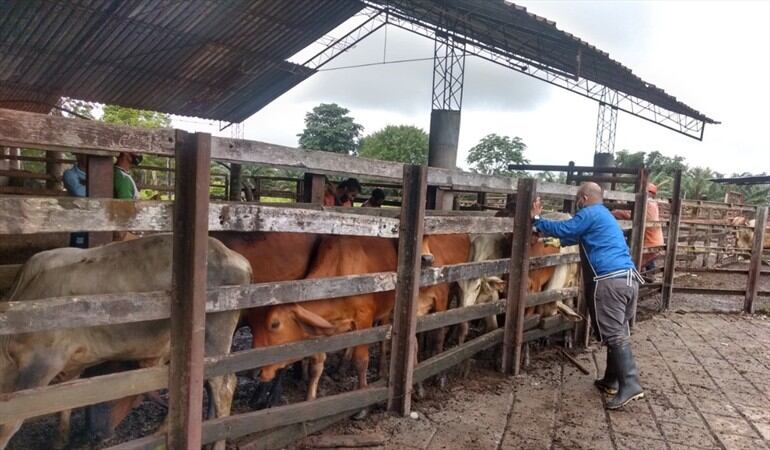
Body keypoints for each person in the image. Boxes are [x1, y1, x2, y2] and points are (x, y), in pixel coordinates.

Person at [531, 182, 644, 410]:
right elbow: (579, 237)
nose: (577, 203)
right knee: (618, 330)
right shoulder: (603, 215)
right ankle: (611, 381)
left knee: (613, 335)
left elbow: (566, 229)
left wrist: (536, 219)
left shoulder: (588, 213)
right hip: (628, 280)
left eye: (577, 198)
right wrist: (560, 242)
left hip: (609, 281)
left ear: (583, 197)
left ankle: (630, 383)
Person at [612, 183, 665, 273]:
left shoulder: (647, 204)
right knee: (646, 262)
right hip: (655, 241)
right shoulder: (653, 204)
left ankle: (633, 281)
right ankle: (649, 278)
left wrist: (613, 212)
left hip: (649, 243)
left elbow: (631, 216)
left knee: (633, 263)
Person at [62, 154, 89, 248]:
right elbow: (80, 193)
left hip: (98, 220)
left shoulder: (98, 175)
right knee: (78, 251)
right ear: (77, 155)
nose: (88, 156)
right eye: (85, 154)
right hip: (79, 221)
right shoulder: (70, 174)